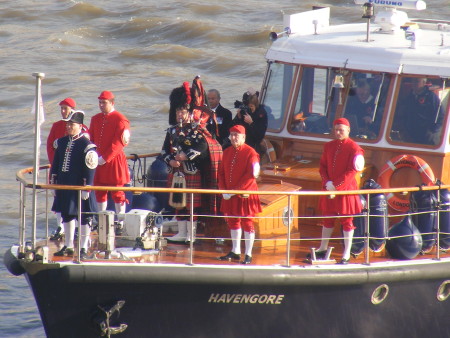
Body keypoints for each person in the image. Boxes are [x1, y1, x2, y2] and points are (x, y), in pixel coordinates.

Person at [161, 82, 218, 243]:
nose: (180, 114)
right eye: (178, 110)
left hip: (191, 171)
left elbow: (202, 148)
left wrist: (186, 156)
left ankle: (191, 235)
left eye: (183, 111)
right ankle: (181, 233)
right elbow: (164, 150)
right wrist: (171, 161)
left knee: (192, 205)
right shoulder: (172, 130)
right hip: (176, 172)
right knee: (179, 203)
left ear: (189, 112)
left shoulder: (195, 130)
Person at [310, 117, 365, 264]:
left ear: (348, 130)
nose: (338, 132)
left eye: (341, 130)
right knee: (327, 218)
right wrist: (327, 182)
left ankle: (346, 253)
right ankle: (322, 248)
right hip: (329, 188)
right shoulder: (328, 146)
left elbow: (352, 171)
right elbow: (322, 167)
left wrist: (336, 185)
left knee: (347, 221)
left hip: (345, 190)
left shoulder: (355, 149)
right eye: (336, 130)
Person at [51, 111, 98, 260]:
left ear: (80, 126)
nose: (69, 127)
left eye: (72, 124)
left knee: (84, 218)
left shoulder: (87, 145)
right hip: (65, 185)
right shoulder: (62, 142)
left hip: (80, 186)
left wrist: (87, 187)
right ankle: (69, 245)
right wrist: (54, 182)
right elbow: (56, 164)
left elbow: (90, 167)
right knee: (67, 214)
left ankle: (83, 247)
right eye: (68, 124)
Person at [218, 125, 262, 264]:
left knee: (247, 222)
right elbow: (221, 173)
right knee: (233, 221)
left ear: (243, 137)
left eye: (236, 135)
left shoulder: (251, 153)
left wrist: (234, 191)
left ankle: (248, 254)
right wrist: (223, 190)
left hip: (245, 194)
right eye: (231, 135)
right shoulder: (226, 152)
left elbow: (251, 176)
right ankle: (235, 250)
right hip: (229, 194)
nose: (233, 137)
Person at [46, 98, 89, 240]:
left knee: (82, 213)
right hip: (63, 176)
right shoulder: (58, 130)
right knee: (63, 207)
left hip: (77, 179)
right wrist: (55, 174)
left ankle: (82, 243)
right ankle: (64, 235)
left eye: (66, 108)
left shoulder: (85, 138)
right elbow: (52, 148)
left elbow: (87, 162)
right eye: (62, 108)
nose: (68, 127)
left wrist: (87, 186)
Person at [89, 91, 131, 230]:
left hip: (114, 161)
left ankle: (121, 221)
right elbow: (91, 139)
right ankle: (102, 219)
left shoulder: (120, 119)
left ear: (112, 103)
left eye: (104, 103)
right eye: (100, 102)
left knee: (117, 192)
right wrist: (93, 155)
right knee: (100, 191)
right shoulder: (95, 119)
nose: (101, 105)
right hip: (98, 160)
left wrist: (104, 158)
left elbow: (119, 143)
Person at [394, 77, 443, 145]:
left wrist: (433, 130)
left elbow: (440, 115)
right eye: (413, 81)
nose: (414, 84)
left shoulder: (431, 97)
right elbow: (403, 114)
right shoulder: (409, 97)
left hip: (426, 135)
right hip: (410, 135)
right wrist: (403, 130)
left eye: (417, 81)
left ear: (423, 83)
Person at [231, 91, 268, 156]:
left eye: (251, 107)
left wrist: (251, 123)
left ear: (256, 105)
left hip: (254, 146)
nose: (250, 109)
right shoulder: (244, 111)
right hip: (242, 144)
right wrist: (239, 118)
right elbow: (233, 128)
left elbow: (259, 136)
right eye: (248, 107)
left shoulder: (261, 114)